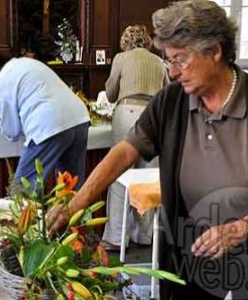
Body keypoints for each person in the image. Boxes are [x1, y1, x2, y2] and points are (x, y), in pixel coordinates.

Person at [46, 0, 248, 299]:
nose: (174, 72)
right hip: (188, 248)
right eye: (168, 61)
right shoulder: (172, 100)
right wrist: (77, 203)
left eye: (180, 59)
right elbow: (126, 150)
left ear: (215, 51)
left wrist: (239, 230)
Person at [0, 48, 90, 192]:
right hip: (79, 116)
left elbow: (12, 132)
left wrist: (0, 125)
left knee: (22, 191)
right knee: (71, 189)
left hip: (50, 122)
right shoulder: (26, 63)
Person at [101, 24, 169, 250]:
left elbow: (110, 95)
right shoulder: (160, 62)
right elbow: (168, 94)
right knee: (147, 176)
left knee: (120, 173)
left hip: (127, 112)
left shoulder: (121, 58)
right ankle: (145, 235)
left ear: (125, 41)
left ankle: (116, 237)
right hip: (154, 116)